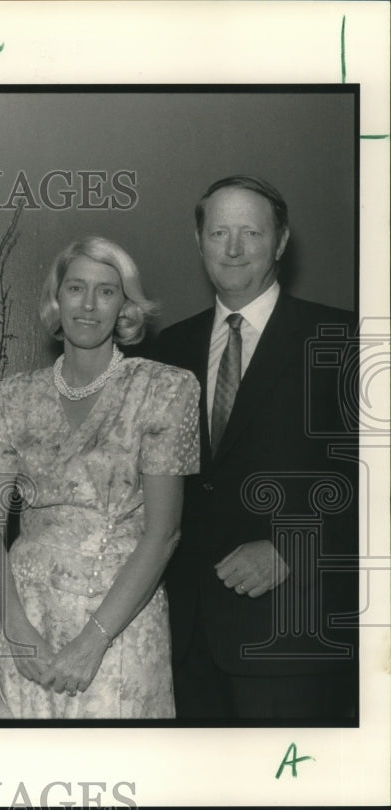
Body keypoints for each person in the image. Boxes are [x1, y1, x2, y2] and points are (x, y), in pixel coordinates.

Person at [156, 176, 358, 721]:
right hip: (185, 643)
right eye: (219, 232)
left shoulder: (345, 341)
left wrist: (292, 547)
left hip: (294, 642)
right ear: (199, 241)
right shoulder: (165, 350)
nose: (234, 248)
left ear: (282, 241)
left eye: (251, 232)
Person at [0, 236, 200, 718]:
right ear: (57, 300)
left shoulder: (164, 389)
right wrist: (16, 627)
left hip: (119, 622)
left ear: (125, 306)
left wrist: (92, 641)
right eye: (76, 288)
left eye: (106, 291)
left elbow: (164, 535)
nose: (89, 304)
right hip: (25, 620)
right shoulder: (9, 398)